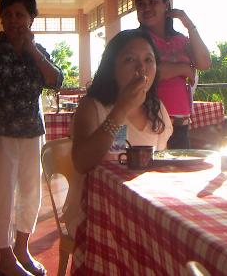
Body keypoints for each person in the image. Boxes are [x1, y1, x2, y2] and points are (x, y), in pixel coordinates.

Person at [0, 0, 63, 276]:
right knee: (1, 196)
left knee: (31, 195)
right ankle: (5, 260)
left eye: (20, 14)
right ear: (1, 19)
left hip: (32, 135)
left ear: (31, 18)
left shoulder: (38, 52)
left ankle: (22, 249)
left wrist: (32, 50)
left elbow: (56, 80)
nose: (13, 20)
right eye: (7, 15)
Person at [66, 29, 173, 236]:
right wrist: (121, 109)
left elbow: (160, 162)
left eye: (149, 60)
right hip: (96, 214)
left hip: (142, 207)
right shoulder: (93, 107)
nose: (141, 68)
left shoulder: (157, 109)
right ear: (112, 68)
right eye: (130, 59)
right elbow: (81, 162)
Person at [135, 0, 211, 149]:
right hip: (149, 121)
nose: (146, 7)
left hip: (180, 124)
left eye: (153, 1)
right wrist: (184, 69)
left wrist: (188, 24)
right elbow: (149, 72)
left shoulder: (181, 40)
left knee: (180, 173)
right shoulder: (137, 40)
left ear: (166, 5)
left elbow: (204, 62)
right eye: (140, 4)